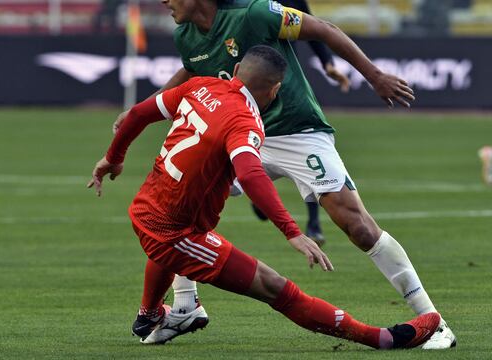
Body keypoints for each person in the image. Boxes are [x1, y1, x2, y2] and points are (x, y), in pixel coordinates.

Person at [112, 0, 455, 349]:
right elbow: (190, 72)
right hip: (238, 134)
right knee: (184, 203)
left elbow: (326, 30)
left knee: (358, 226)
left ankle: (435, 321)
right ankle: (185, 304)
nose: (163, 1)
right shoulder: (186, 34)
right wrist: (142, 108)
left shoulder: (256, 14)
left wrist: (374, 76)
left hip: (297, 131)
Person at [249, 0, 350, 245]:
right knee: (255, 143)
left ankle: (313, 223)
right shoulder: (248, 7)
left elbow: (313, 27)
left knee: (310, 151)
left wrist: (328, 64)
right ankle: (257, 186)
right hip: (253, 83)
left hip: (287, 79)